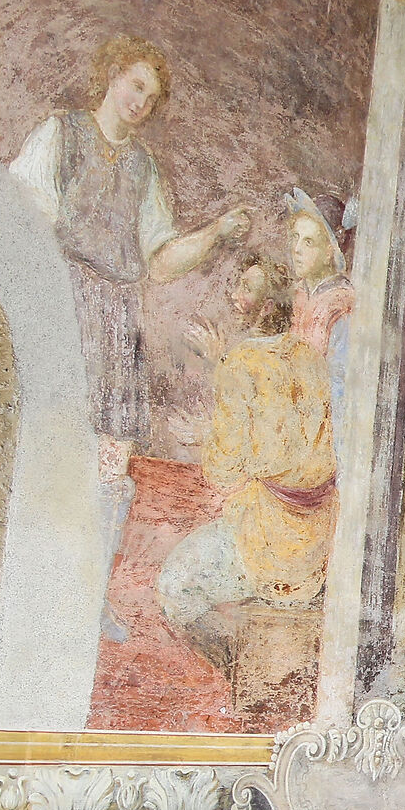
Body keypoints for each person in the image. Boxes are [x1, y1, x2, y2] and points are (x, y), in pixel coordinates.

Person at [9, 35, 251, 640]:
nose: (143, 101)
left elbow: (160, 259)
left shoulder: (143, 167)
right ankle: (25, 584)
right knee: (45, 445)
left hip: (117, 323)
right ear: (113, 76)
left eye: (154, 95)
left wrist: (217, 232)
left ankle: (89, 595)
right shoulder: (60, 135)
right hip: (62, 309)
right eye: (136, 85)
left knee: (111, 463)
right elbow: (24, 210)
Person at [157, 257, 336, 673]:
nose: (236, 294)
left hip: (273, 538)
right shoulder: (306, 355)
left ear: (265, 304)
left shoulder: (240, 364)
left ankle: (237, 667)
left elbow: (223, 472)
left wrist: (207, 430)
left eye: (246, 287)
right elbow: (284, 440)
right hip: (315, 530)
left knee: (172, 586)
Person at [283, 190, 355, 468]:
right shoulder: (301, 294)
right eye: (296, 238)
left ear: (330, 252)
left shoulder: (341, 304)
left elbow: (339, 389)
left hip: (323, 438)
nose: (296, 249)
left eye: (309, 241)